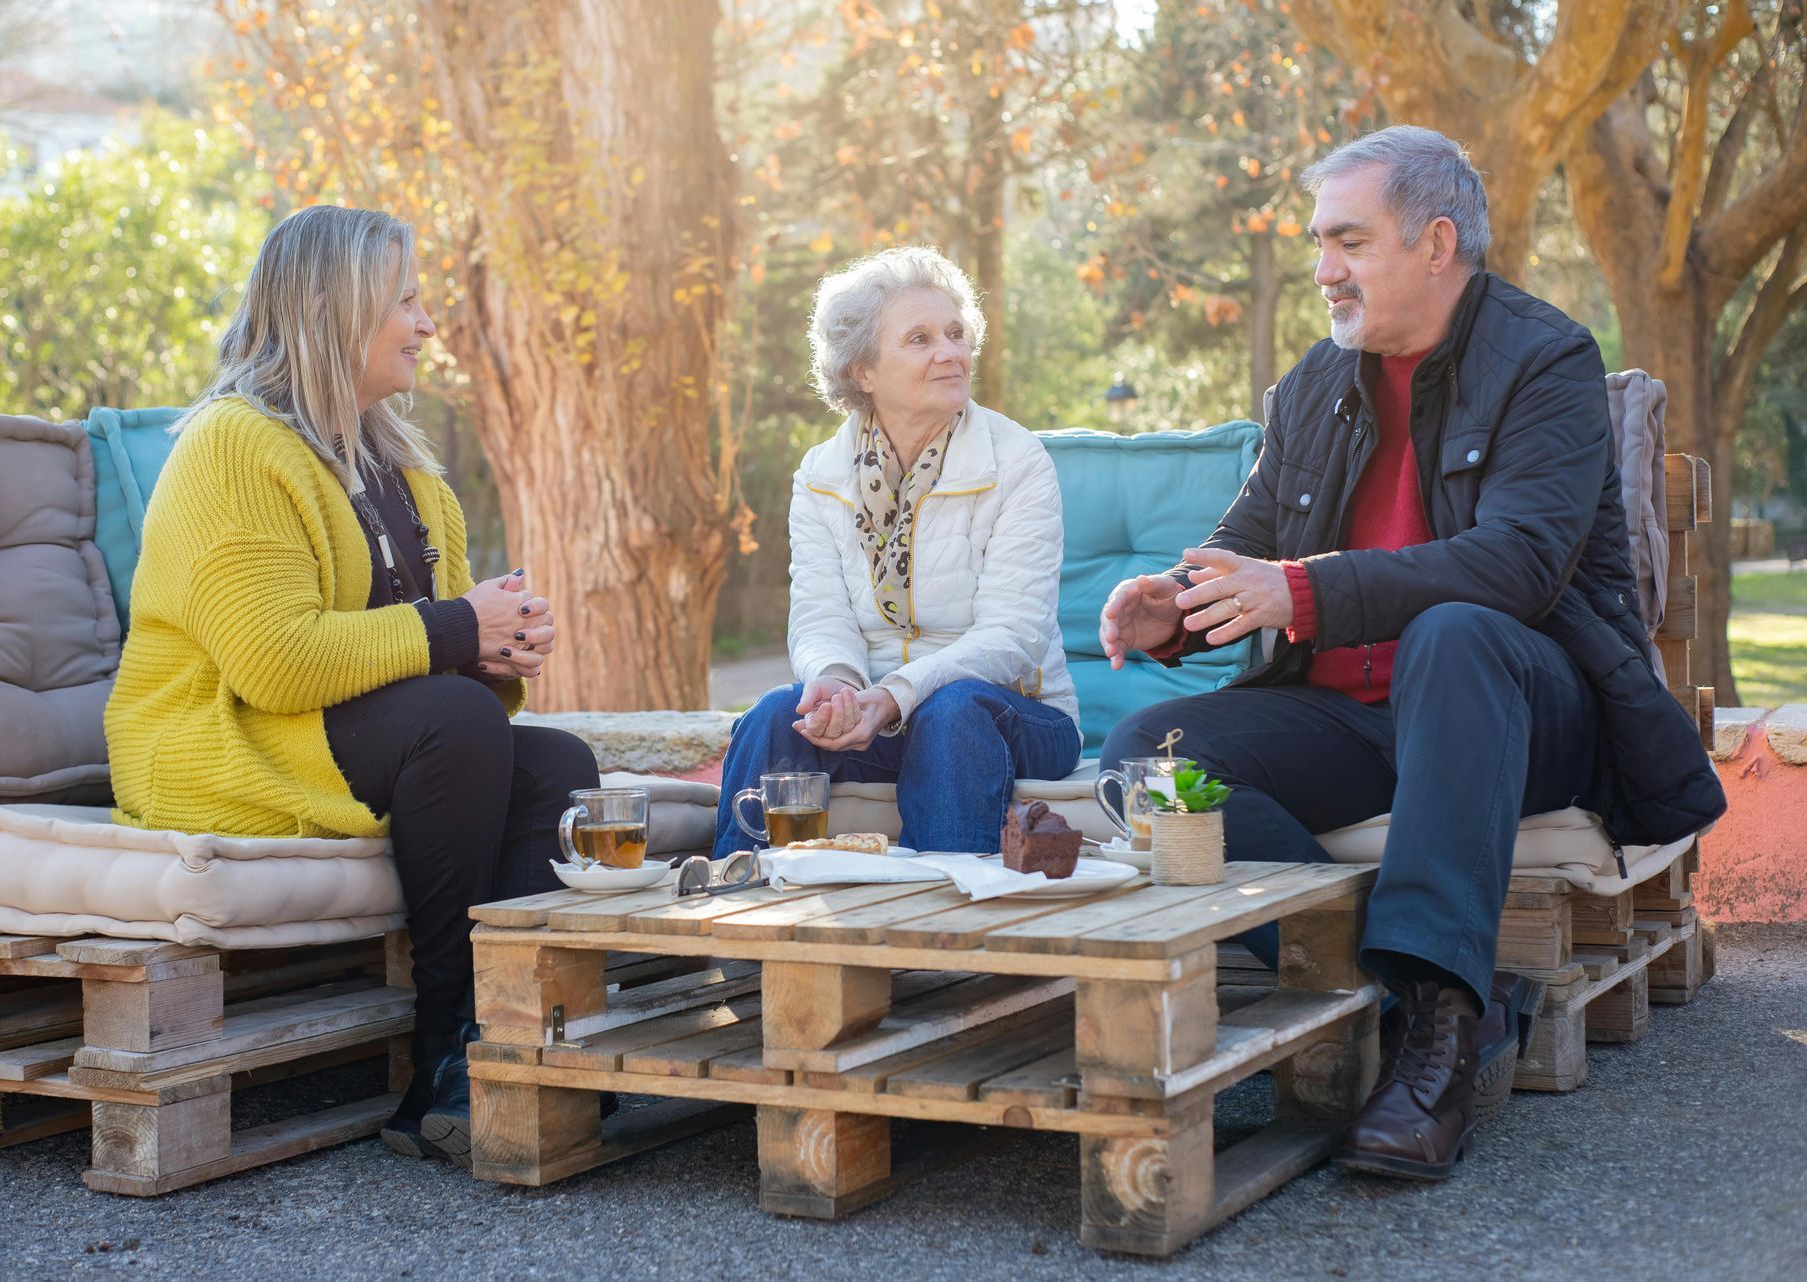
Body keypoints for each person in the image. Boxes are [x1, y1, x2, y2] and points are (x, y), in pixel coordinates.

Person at [1097, 127, 1723, 1181]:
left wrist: (1302, 589)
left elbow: (1519, 565)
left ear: (1437, 243)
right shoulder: (1315, 384)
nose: (1323, 269)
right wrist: (1172, 606)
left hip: (1521, 712)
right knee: (1145, 757)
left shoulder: (1544, 358)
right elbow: (1249, 541)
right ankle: (1414, 1005)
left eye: (1349, 240)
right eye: (1317, 242)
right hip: (1357, 721)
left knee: (1457, 631)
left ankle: (1433, 1033)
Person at [104, 206, 599, 1168]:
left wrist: (489, 650)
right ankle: (453, 1055)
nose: (425, 324)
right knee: (455, 718)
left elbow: (415, 669)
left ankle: (513, 1041)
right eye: (405, 301)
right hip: (223, 745)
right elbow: (273, 660)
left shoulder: (412, 476)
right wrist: (459, 630)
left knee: (559, 761)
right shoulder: (232, 446)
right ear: (335, 311)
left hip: (348, 738)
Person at [714, 247, 1082, 857]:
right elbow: (819, 615)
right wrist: (836, 687)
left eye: (957, 333)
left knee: (952, 713)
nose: (951, 352)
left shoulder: (1017, 461)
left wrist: (896, 696)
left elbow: (1014, 634)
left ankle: (952, 930)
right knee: (776, 714)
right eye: (920, 338)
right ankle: (741, 906)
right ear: (862, 370)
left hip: (1015, 712)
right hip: (874, 709)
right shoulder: (821, 473)